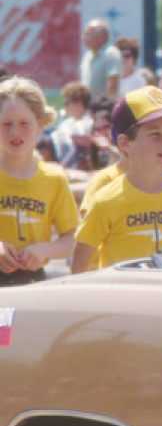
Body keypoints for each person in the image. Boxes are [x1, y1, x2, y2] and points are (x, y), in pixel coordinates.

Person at [71, 86, 162, 272]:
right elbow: (80, 260)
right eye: (155, 134)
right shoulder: (106, 200)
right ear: (124, 143)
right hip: (122, 297)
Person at [0, 77, 81, 285]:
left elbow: (72, 239)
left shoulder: (54, 180)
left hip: (34, 284)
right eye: (6, 124)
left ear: (40, 125)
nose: (15, 132)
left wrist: (45, 249)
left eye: (24, 123)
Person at [80, 20, 122, 101]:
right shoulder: (87, 55)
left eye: (88, 34)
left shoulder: (111, 53)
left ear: (102, 37)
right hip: (88, 107)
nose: (84, 38)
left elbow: (112, 84)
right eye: (84, 34)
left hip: (102, 108)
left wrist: (107, 107)